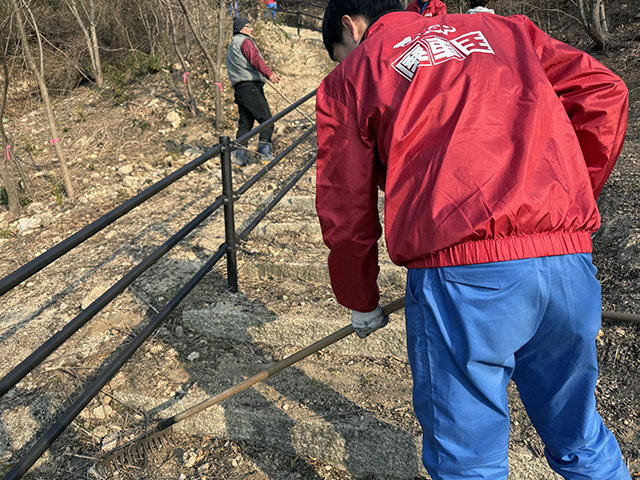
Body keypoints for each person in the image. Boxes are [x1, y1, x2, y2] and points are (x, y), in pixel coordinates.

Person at [315, 1, 630, 479]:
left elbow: (345, 204)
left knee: (468, 461)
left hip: (463, 278)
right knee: (579, 436)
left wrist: (360, 298)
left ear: (350, 26)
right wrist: (565, 195)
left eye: (340, 52)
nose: (344, 60)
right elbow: (604, 92)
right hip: (567, 262)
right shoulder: (501, 29)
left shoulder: (355, 74)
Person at [226, 17, 281, 166]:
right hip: (251, 87)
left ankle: (239, 159)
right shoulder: (245, 42)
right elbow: (255, 59)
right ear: (242, 28)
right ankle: (265, 155)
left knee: (245, 125)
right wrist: (269, 74)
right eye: (249, 26)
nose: (251, 29)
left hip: (239, 89)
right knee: (267, 121)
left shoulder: (232, 46)